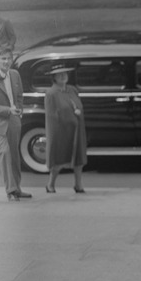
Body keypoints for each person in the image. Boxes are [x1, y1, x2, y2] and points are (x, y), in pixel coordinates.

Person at [0, 47, 31, 201]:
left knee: (14, 156)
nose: (6, 61)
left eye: (9, 58)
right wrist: (8, 110)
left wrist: (19, 111)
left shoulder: (15, 74)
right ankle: (11, 190)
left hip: (13, 122)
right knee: (4, 153)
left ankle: (17, 189)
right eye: (3, 59)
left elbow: (19, 95)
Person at [43, 63, 87, 194]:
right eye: (59, 75)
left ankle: (78, 185)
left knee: (79, 160)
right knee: (59, 160)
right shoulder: (51, 93)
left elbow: (78, 106)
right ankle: (50, 185)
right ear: (54, 78)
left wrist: (77, 113)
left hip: (76, 129)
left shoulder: (72, 90)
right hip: (61, 131)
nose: (63, 76)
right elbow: (51, 116)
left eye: (65, 74)